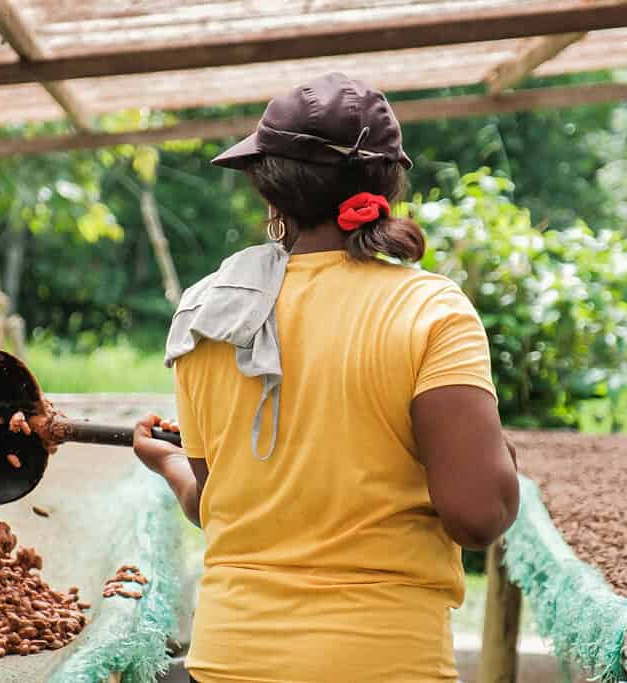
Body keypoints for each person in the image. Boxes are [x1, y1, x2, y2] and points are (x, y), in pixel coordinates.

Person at [132, 73, 520, 683]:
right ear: (388, 184)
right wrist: (497, 460)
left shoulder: (208, 313)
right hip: (383, 661)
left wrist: (170, 464)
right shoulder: (430, 311)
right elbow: (478, 516)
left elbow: (217, 506)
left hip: (231, 658)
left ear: (269, 187)